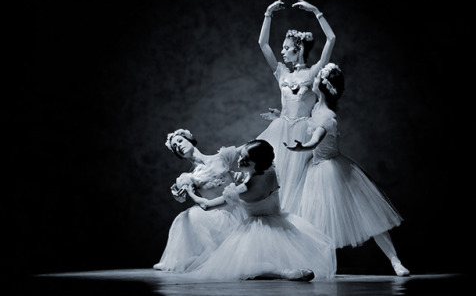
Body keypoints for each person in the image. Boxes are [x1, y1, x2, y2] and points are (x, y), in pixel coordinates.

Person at [285, 63, 410, 277]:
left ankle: (395, 261)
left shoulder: (327, 116)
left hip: (332, 171)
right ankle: (318, 266)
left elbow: (315, 140)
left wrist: (302, 146)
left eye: (316, 80)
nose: (312, 80)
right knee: (314, 221)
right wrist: (280, 115)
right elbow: (301, 118)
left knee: (371, 217)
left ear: (323, 87)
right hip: (314, 170)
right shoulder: (316, 108)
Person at [182, 139, 336, 281]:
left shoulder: (244, 189)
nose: (240, 160)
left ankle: (284, 273)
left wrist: (189, 190)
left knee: (242, 266)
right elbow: (251, 175)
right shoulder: (270, 170)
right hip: (280, 221)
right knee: (277, 255)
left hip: (255, 228)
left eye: (246, 160)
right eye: (241, 156)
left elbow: (206, 205)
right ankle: (288, 270)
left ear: (257, 163)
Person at [257, 0, 336, 214]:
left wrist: (316, 11)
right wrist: (268, 13)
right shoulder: (282, 72)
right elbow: (262, 44)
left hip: (303, 133)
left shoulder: (313, 73)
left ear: (298, 48)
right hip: (281, 131)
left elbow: (331, 39)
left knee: (298, 188)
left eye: (286, 48)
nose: (282, 51)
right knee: (277, 180)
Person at [153, 129, 246, 272]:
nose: (179, 146)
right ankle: (210, 255)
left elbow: (250, 148)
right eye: (175, 147)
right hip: (217, 217)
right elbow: (181, 196)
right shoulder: (188, 177)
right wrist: (178, 194)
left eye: (180, 141)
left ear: (189, 139)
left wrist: (279, 124)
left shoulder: (222, 156)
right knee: (188, 215)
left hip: (239, 211)